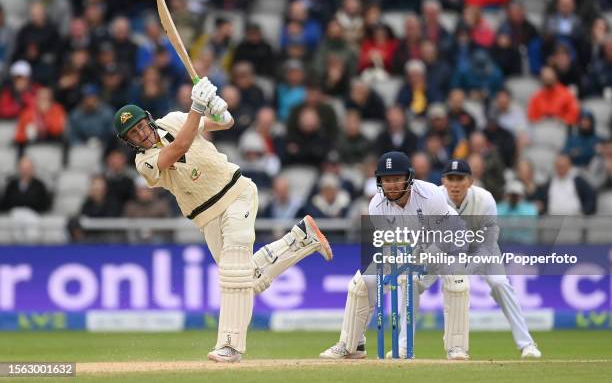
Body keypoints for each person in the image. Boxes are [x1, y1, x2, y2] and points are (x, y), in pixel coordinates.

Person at [113, 78, 332, 362]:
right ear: (128, 142)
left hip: (237, 192)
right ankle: (300, 238)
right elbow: (179, 147)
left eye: (141, 125)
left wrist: (218, 109)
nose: (141, 134)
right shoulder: (144, 163)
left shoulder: (176, 119)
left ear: (148, 119)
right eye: (133, 134)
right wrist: (197, 106)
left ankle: (230, 345)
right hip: (206, 216)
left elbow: (225, 123)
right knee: (243, 281)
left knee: (233, 275)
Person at [320, 151, 470, 360]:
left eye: (397, 179)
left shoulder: (431, 195)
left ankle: (456, 347)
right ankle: (352, 344)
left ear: (408, 178)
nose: (391, 185)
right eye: (386, 180)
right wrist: (402, 265)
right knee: (362, 283)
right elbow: (390, 245)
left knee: (456, 283)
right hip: (407, 246)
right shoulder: (376, 206)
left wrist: (420, 261)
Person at [438, 159, 542, 358]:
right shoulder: (436, 198)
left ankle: (527, 344)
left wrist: (465, 271)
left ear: (470, 181)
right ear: (444, 181)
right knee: (426, 284)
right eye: (451, 178)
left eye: (460, 178)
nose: (455, 184)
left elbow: (487, 245)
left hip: (482, 248)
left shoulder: (485, 199)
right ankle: (414, 346)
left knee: (500, 284)